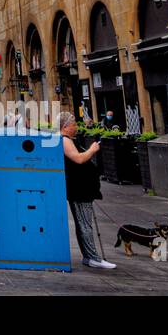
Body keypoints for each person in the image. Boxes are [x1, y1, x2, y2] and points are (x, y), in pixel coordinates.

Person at [60, 111, 115, 270]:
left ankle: (88, 256)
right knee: (85, 224)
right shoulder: (65, 141)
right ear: (66, 126)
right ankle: (93, 257)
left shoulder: (68, 140)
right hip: (79, 189)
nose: (76, 127)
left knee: (82, 223)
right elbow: (78, 159)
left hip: (80, 188)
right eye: (74, 124)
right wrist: (92, 149)